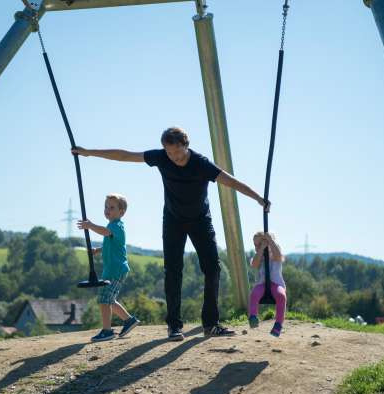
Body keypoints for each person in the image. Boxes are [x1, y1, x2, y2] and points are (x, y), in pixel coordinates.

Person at [72, 127, 269, 341]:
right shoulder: (161, 157)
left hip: (200, 220)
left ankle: (211, 324)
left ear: (186, 146)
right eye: (169, 152)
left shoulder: (201, 164)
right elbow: (125, 155)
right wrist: (89, 152)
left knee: (212, 267)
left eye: (177, 152)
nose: (173, 157)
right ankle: (174, 326)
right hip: (173, 220)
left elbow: (231, 181)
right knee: (173, 271)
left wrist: (259, 198)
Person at [77, 193, 140, 342]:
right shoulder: (112, 226)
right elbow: (109, 243)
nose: (107, 210)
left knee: (104, 299)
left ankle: (107, 331)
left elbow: (106, 233)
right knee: (109, 299)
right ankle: (129, 320)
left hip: (116, 270)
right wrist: (97, 251)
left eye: (112, 207)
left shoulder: (116, 225)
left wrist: (90, 226)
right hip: (113, 270)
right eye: (106, 207)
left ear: (121, 212)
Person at [248, 231, 286, 337]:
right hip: (262, 283)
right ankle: (253, 317)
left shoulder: (274, 251)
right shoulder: (259, 255)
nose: (256, 247)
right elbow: (254, 264)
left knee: (281, 296)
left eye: (259, 244)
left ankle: (278, 324)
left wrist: (270, 241)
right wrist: (261, 249)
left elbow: (278, 257)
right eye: (255, 245)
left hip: (276, 283)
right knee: (254, 294)